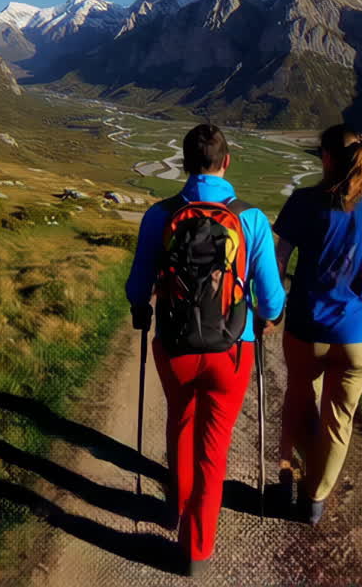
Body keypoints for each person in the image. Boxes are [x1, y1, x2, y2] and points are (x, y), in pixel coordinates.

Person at [126, 123, 285, 576]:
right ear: (226, 162)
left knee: (180, 422)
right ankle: (196, 550)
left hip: (174, 346)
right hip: (231, 351)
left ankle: (174, 507)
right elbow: (272, 299)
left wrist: (142, 308)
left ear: (184, 162)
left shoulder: (160, 215)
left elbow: (138, 288)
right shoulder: (250, 219)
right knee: (212, 449)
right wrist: (267, 316)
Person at [272, 124, 362, 526]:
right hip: (359, 338)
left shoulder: (304, 201)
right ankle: (314, 500)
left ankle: (290, 469)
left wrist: (270, 305)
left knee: (301, 398)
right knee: (338, 422)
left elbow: (279, 259)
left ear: (325, 158)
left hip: (306, 329)